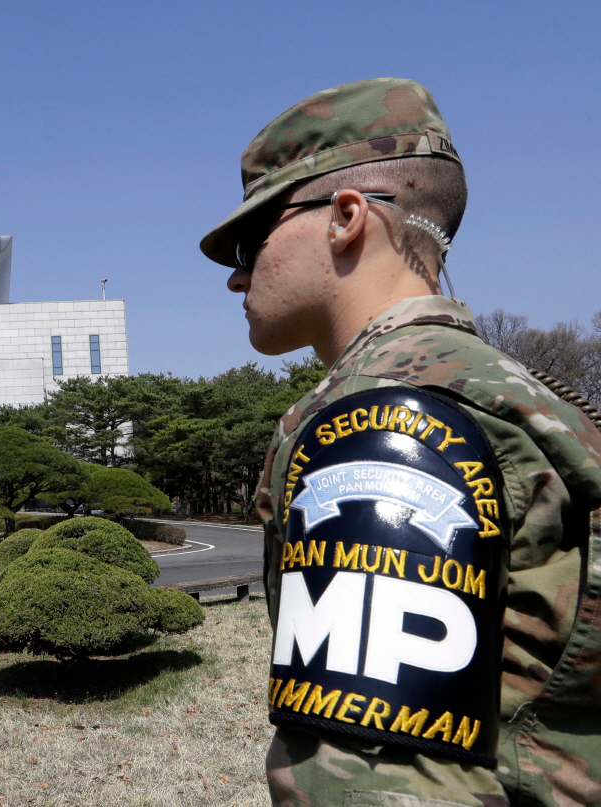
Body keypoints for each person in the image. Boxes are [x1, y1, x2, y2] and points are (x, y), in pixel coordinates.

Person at [200, 78, 601, 806]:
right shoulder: (520, 395)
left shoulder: (383, 421)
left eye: (252, 239)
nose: (235, 275)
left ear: (345, 217)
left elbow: (372, 785)